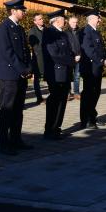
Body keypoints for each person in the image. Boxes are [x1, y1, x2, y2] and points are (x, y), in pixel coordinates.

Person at [0, 0, 34, 155]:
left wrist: (29, 67)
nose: (24, 12)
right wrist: (22, 69)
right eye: (21, 10)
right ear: (13, 11)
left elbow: (24, 51)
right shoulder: (4, 28)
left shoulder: (19, 28)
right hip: (9, 75)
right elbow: (7, 52)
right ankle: (4, 144)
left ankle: (16, 139)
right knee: (7, 110)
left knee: (18, 109)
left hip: (20, 74)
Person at [42, 9, 77, 140]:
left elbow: (68, 51)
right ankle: (49, 129)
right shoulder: (49, 32)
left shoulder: (63, 34)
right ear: (56, 20)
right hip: (56, 73)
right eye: (63, 19)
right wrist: (71, 61)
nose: (65, 21)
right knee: (54, 100)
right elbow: (54, 53)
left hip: (65, 71)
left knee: (62, 100)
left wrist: (72, 58)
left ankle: (57, 128)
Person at [79, 9, 106, 129]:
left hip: (97, 67)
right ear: (91, 19)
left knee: (95, 92)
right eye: (98, 18)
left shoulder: (95, 31)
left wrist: (105, 57)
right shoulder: (86, 31)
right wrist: (101, 60)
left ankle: (92, 116)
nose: (100, 20)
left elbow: (101, 48)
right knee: (89, 94)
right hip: (90, 68)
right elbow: (89, 49)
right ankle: (86, 120)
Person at [28, 13, 45, 104]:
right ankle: (39, 98)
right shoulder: (32, 32)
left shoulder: (47, 30)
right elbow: (35, 46)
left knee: (50, 77)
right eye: (39, 19)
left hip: (48, 58)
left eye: (42, 18)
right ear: (35, 21)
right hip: (38, 58)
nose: (41, 20)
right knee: (37, 79)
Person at [67, 16, 83, 101]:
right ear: (69, 22)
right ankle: (68, 93)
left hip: (79, 57)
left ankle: (76, 93)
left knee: (77, 76)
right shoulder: (65, 32)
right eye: (73, 22)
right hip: (69, 58)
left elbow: (83, 45)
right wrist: (72, 56)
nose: (75, 24)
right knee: (68, 76)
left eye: (76, 22)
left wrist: (79, 55)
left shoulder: (80, 32)